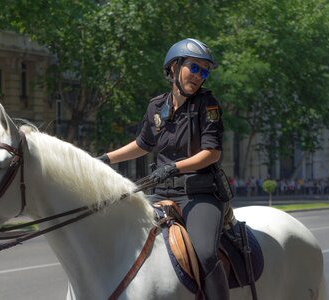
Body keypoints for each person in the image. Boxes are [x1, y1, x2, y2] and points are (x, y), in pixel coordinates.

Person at [98, 38, 230, 300]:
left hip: (199, 194)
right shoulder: (156, 106)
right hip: (160, 193)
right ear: (173, 67)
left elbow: (211, 153)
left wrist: (173, 168)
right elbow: (142, 144)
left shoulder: (208, 105)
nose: (199, 75)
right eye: (194, 67)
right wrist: (104, 159)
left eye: (204, 71)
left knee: (205, 252)